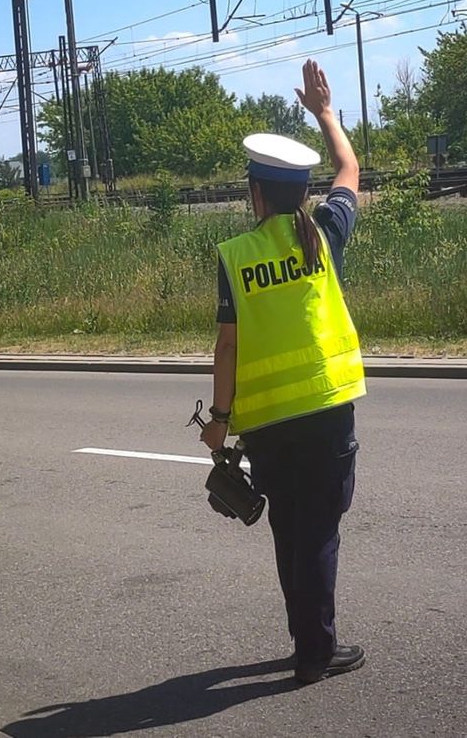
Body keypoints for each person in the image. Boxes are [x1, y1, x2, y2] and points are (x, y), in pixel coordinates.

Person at [200, 59, 366, 685]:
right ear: (301, 192)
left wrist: (219, 423)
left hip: (266, 422)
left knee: (289, 531)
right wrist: (324, 112)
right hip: (326, 411)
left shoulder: (236, 257)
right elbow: (349, 171)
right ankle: (314, 655)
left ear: (256, 194)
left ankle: (307, 644)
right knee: (319, 531)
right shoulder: (324, 234)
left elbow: (226, 348)